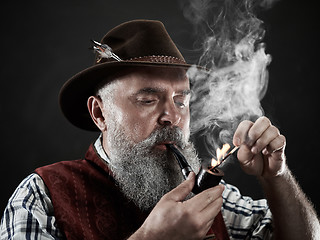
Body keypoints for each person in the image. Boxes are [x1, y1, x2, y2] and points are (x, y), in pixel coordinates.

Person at [1, 19, 319, 240]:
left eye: (181, 100)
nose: (171, 116)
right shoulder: (42, 195)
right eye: (148, 99)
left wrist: (277, 178)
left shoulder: (206, 196)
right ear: (100, 114)